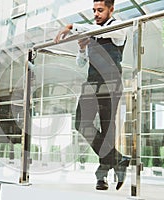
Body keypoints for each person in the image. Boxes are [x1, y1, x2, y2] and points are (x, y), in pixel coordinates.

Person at [54, 0, 130, 190]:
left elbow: (106, 32)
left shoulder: (118, 27)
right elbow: (81, 63)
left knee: (107, 128)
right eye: (94, 10)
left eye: (100, 10)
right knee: (81, 123)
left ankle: (101, 176)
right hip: (92, 84)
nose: (96, 14)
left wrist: (72, 27)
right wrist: (81, 48)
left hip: (110, 84)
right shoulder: (92, 32)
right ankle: (117, 159)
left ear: (111, 9)